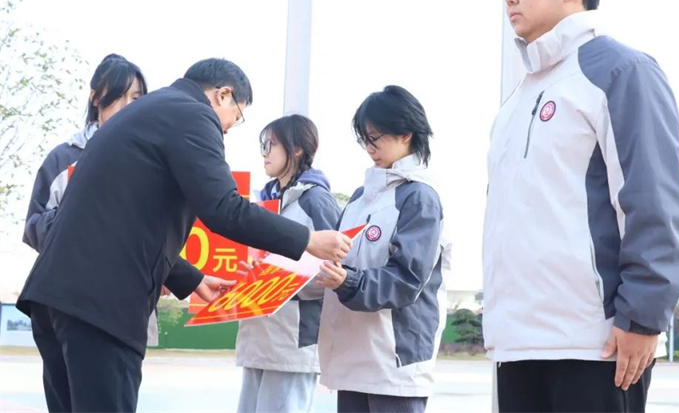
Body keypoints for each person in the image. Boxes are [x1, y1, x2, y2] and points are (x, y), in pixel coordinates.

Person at [16, 58, 352, 412]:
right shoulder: (193, 115)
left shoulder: (145, 112)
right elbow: (224, 208)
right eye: (236, 117)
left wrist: (191, 278)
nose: (226, 130)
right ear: (223, 95)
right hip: (100, 305)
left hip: (55, 299)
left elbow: (122, 221)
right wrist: (308, 240)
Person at [482, 0, 679, 412]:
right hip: (519, 343)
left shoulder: (619, 71)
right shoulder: (518, 99)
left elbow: (653, 198)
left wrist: (642, 318)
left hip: (596, 343)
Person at [317, 85, 450, 413]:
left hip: (395, 360)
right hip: (352, 356)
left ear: (405, 133)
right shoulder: (359, 199)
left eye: (375, 138)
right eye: (364, 139)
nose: (368, 148)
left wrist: (348, 282)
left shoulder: (419, 197)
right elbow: (338, 262)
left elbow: (406, 279)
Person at [21, 54, 164, 346]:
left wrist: (165, 272)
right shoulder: (64, 158)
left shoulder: (151, 164)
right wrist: (81, 219)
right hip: (70, 300)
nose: (128, 106)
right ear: (96, 98)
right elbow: (33, 227)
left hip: (130, 302)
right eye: (118, 96)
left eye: (136, 98)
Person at [235, 114, 340, 413]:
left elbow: (336, 270)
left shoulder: (316, 201)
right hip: (259, 333)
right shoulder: (264, 202)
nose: (264, 153)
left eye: (271, 145)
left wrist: (279, 280)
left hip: (293, 340)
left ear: (296, 149)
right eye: (262, 145)